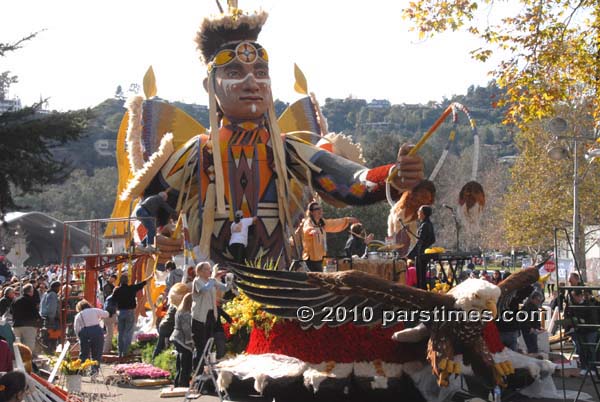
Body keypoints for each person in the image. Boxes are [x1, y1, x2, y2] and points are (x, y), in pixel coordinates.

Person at [113, 6, 425, 267]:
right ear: (210, 86)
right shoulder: (199, 152)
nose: (253, 82)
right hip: (212, 286)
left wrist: (393, 176)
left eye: (261, 72)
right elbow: (150, 208)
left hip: (279, 281)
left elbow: (350, 181)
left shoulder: (287, 149)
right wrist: (156, 240)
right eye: (235, 73)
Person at [191, 262, 230, 370]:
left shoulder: (211, 281)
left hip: (211, 315)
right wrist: (213, 277)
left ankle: (205, 369)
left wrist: (229, 280)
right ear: (200, 271)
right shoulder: (197, 281)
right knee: (201, 345)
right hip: (200, 317)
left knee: (209, 344)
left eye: (210, 269)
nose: (210, 271)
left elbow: (225, 288)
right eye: (207, 269)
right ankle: (197, 370)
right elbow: (204, 290)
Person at [301, 202, 358, 272]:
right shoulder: (309, 222)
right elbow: (307, 229)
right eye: (317, 209)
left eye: (320, 208)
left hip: (321, 257)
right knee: (319, 278)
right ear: (311, 212)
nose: (320, 210)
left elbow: (334, 223)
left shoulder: (322, 223)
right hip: (312, 259)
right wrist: (311, 231)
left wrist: (347, 220)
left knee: (322, 277)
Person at [111, 273, 153, 358]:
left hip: (120, 312)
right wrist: (150, 276)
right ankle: (125, 352)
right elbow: (142, 283)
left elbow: (113, 301)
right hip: (130, 312)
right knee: (128, 332)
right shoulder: (131, 288)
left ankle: (120, 352)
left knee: (121, 333)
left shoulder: (117, 290)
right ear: (127, 281)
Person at [565, 290, 599, 375]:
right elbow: (570, 316)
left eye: (574, 296)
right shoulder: (573, 306)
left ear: (580, 296)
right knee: (581, 349)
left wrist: (581, 321)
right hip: (580, 330)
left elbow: (593, 319)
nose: (573, 298)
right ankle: (584, 367)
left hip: (590, 330)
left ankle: (592, 369)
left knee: (590, 349)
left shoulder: (589, 305)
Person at [153, 282, 187, 360]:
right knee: (172, 345)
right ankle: (164, 360)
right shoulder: (178, 306)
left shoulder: (172, 304)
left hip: (163, 325)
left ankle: (154, 360)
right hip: (168, 327)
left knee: (160, 345)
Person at [74, 299, 108, 373]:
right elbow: (106, 314)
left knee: (84, 353)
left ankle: (81, 371)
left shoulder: (79, 315)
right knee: (97, 352)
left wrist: (78, 337)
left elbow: (76, 328)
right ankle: (94, 371)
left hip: (85, 332)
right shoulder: (94, 310)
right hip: (97, 331)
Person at [407, 205, 435, 290]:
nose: (418, 213)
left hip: (420, 255)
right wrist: (426, 246)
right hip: (424, 253)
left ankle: (421, 293)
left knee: (420, 277)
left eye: (419, 211)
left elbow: (420, 242)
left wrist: (410, 255)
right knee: (422, 276)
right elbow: (432, 239)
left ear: (423, 214)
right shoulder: (429, 224)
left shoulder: (424, 225)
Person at [170, 293, 193, 387]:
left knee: (180, 362)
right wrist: (190, 340)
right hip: (182, 339)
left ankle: (177, 382)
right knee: (186, 362)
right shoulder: (186, 313)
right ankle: (183, 383)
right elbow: (186, 328)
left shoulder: (179, 310)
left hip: (176, 337)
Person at [10, 284, 41, 354]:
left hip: (16, 326)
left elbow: (11, 312)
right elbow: (35, 314)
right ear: (31, 291)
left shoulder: (15, 300)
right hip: (29, 327)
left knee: (17, 349)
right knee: (28, 349)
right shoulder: (31, 300)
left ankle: (19, 364)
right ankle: (26, 364)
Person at [39, 281, 61, 353]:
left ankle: (47, 350)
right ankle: (50, 351)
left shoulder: (46, 293)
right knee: (52, 336)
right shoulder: (52, 295)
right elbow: (52, 308)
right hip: (51, 319)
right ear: (56, 287)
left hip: (45, 317)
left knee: (47, 336)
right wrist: (52, 319)